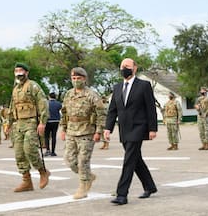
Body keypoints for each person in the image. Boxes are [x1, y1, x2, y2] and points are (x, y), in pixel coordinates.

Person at [104, 58, 158, 205]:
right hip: (124, 129)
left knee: (128, 160)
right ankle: (150, 186)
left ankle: (122, 194)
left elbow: (150, 108)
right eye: (122, 66)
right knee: (136, 160)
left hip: (139, 127)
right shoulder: (117, 87)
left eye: (127, 66)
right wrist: (108, 128)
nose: (124, 68)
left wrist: (152, 129)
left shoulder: (144, 85)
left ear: (135, 68)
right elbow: (112, 110)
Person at [60, 67, 106, 199]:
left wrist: (98, 132)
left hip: (87, 132)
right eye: (73, 78)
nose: (75, 81)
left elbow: (101, 114)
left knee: (83, 161)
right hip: (71, 131)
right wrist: (63, 129)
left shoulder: (92, 95)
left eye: (78, 78)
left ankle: (83, 186)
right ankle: (88, 176)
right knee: (69, 160)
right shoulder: (68, 94)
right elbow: (64, 113)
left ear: (84, 79)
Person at [4, 62, 50, 192]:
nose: (18, 73)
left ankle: (43, 171)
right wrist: (8, 123)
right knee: (19, 153)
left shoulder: (33, 86)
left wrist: (42, 122)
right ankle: (26, 181)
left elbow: (43, 104)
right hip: (18, 124)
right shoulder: (15, 89)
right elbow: (12, 107)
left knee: (29, 149)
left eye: (21, 70)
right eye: (16, 70)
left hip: (31, 122)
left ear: (26, 72)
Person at [45, 92, 62, 156]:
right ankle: (53, 151)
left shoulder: (46, 103)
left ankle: (47, 150)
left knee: (46, 136)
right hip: (56, 121)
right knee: (53, 136)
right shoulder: (59, 104)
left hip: (47, 121)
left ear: (49, 97)